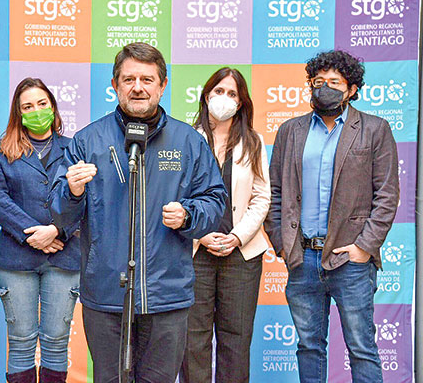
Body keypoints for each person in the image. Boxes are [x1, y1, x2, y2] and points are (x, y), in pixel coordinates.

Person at [50, 42, 227, 382]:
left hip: (166, 296)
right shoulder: (87, 141)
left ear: (163, 85)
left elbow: (215, 201)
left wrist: (189, 215)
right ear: (115, 85)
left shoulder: (188, 141)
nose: (138, 87)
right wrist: (71, 192)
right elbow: (59, 216)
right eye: (129, 79)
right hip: (106, 295)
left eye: (147, 79)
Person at [264, 50, 400, 383]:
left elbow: (387, 194)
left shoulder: (374, 129)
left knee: (361, 347)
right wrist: (284, 245)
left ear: (352, 88)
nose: (325, 88)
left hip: (350, 260)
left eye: (335, 83)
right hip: (303, 260)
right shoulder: (290, 131)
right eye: (318, 82)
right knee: (308, 346)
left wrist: (363, 248)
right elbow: (275, 193)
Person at [180, 67, 271, 383]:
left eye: (232, 93)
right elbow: (176, 195)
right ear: (206, 96)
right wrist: (202, 234)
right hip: (194, 252)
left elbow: (262, 197)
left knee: (236, 339)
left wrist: (236, 236)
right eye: (219, 91)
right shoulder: (186, 139)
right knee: (193, 340)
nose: (224, 99)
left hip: (241, 255)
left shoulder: (253, 141)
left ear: (241, 101)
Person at [0, 78, 80, 383]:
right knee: (22, 342)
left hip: (64, 259)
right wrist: (36, 236)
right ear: (19, 113)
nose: (36, 110)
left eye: (42, 104)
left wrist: (57, 231)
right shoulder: (2, 150)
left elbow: (86, 201)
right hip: (16, 261)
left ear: (53, 107)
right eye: (28, 106)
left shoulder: (75, 149)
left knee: (56, 342)